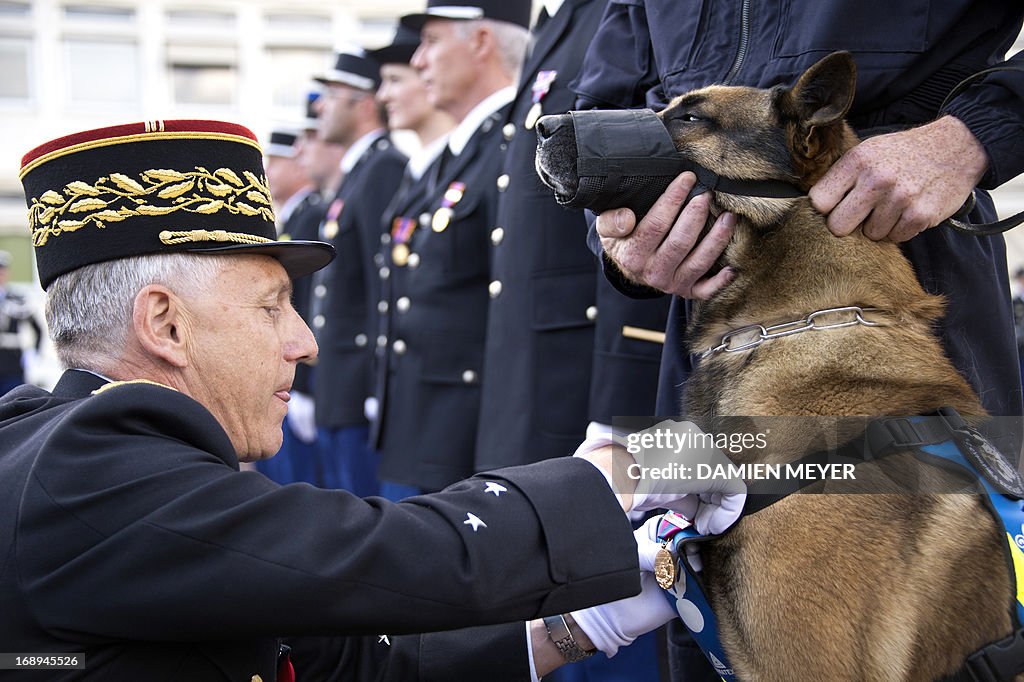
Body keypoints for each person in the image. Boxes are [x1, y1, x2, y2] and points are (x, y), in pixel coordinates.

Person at [4, 119, 746, 681]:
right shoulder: (89, 468)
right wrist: (624, 466)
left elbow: (346, 662)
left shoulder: (96, 460)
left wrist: (587, 626)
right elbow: (391, 554)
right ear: (165, 323)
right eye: (272, 308)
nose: (305, 342)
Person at [572, 1, 1024, 679]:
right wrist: (619, 242)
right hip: (708, 313)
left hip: (892, 270)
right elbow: (608, 108)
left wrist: (976, 132)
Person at [474, 1, 668, 679]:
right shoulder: (559, 20)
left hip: (601, 384)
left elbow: (634, 211)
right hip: (539, 389)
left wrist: (627, 420)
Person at [370, 0, 531, 494]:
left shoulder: (511, 146)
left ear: (481, 42)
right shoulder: (459, 156)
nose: (418, 62)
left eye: (432, 42)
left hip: (465, 441)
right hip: (424, 430)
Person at [309, 49, 408, 495]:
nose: (318, 106)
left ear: (364, 103)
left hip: (357, 392)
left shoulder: (382, 167)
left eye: (331, 94)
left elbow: (381, 286)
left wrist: (375, 386)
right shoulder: (360, 172)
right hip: (338, 390)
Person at [366, 24, 458, 501]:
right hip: (410, 412)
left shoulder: (466, 166)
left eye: (395, 80)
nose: (384, 96)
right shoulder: (422, 174)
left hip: (447, 421)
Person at [255, 127, 325, 486]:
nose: (268, 172)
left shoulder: (312, 215)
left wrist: (308, 386)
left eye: (277, 162)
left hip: (304, 376)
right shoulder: (291, 219)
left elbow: (312, 302)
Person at [0, 250, 42, 395]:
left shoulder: (18, 299)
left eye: (2, 271)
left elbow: (37, 329)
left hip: (12, 363)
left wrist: (33, 355)